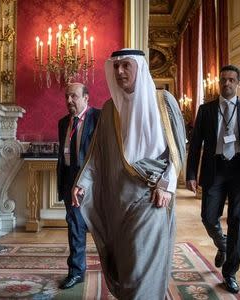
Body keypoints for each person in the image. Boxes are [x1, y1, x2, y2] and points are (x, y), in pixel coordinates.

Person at [71, 49, 186, 299]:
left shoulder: (164, 101)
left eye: (126, 66)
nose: (120, 71)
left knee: (143, 262)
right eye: (116, 67)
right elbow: (98, 154)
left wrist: (166, 185)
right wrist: (83, 181)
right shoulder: (111, 109)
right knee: (126, 260)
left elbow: (177, 150)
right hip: (119, 198)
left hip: (153, 194)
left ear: (139, 68)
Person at [186, 65, 240, 294]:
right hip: (215, 169)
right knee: (208, 216)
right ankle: (223, 245)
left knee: (237, 222)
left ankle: (230, 273)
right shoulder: (206, 110)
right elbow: (196, 145)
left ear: (238, 83)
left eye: (231, 80)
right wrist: (191, 174)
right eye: (223, 80)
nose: (227, 83)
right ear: (219, 83)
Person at [56, 82, 100, 289]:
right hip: (69, 179)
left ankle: (116, 270)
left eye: (74, 96)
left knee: (103, 229)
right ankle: (76, 272)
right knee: (75, 227)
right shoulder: (63, 122)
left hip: (93, 181)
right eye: (67, 96)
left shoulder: (99, 118)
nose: (69, 100)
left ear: (86, 98)